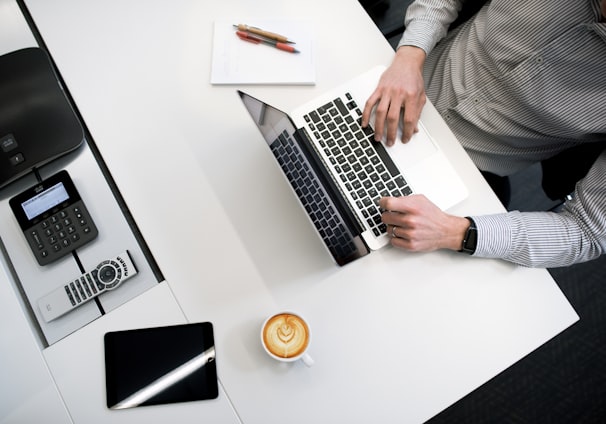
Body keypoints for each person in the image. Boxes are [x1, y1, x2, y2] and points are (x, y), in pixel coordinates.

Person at [361, 0, 606, 267]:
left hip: (460, 175)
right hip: (390, 79)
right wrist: (410, 55)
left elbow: (586, 231)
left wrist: (453, 231)